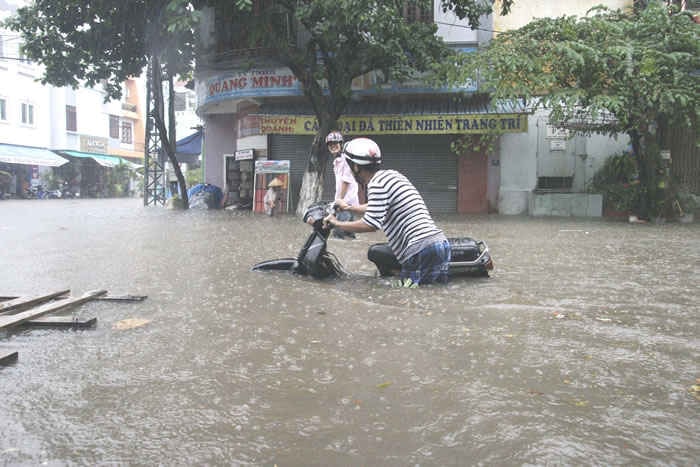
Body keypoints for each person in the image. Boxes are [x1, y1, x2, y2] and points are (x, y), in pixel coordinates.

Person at [324, 137, 451, 286]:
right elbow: (377, 206)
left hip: (420, 250)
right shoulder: (391, 175)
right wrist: (349, 207)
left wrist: (336, 223)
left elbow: (371, 224)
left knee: (408, 302)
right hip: (439, 245)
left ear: (356, 167)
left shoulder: (375, 184)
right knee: (430, 298)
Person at [326, 131, 358, 239]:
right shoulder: (337, 162)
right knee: (350, 235)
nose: (333, 146)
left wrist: (339, 201)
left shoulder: (345, 160)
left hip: (345, 202)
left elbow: (346, 182)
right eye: (330, 144)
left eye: (335, 143)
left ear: (341, 144)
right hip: (347, 202)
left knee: (338, 235)